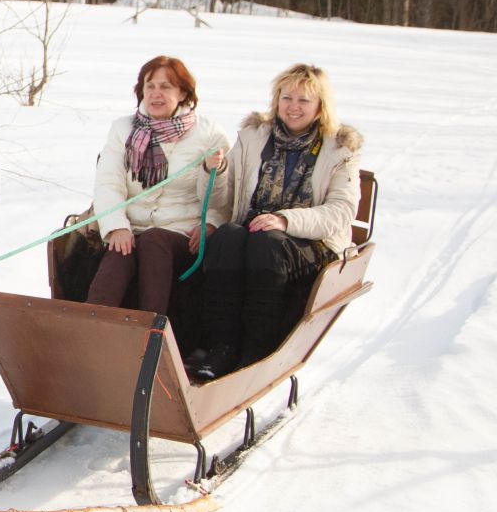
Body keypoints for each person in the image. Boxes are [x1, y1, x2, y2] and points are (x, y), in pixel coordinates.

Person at [188, 64, 364, 382]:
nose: (293, 107)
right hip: (254, 232)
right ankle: (221, 346)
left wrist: (285, 220)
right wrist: (217, 171)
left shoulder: (340, 149)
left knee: (267, 243)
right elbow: (219, 204)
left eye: (304, 100)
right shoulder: (254, 137)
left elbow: (341, 211)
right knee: (227, 237)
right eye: (287, 98)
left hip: (310, 242)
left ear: (320, 106)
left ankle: (258, 349)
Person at [86, 55, 228, 320]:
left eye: (166, 87)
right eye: (150, 86)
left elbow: (224, 198)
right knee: (118, 256)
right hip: (132, 227)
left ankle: (151, 333)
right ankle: (91, 333)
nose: (156, 94)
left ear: (183, 92)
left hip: (182, 233)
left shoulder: (209, 133)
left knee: (154, 241)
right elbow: (108, 183)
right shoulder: (122, 129)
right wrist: (117, 226)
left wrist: (211, 221)